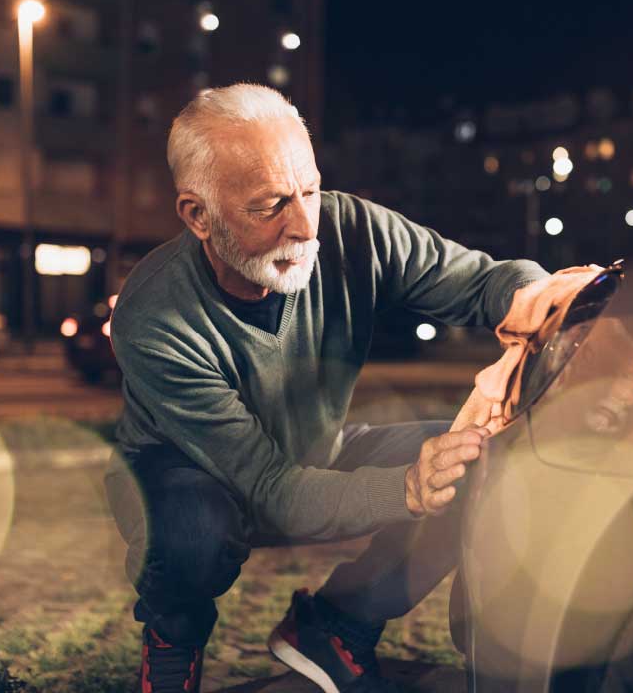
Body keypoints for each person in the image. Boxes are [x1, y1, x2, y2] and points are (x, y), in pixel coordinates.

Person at [104, 83, 548, 693]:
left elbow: (480, 282)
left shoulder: (350, 228)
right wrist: (405, 488)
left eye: (310, 190)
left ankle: (339, 622)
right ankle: (172, 637)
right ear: (198, 215)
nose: (306, 225)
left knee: (481, 463)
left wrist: (548, 298)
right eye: (271, 205)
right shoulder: (153, 315)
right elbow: (267, 488)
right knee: (192, 532)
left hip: (315, 448)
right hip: (189, 472)